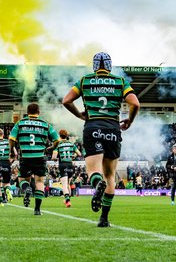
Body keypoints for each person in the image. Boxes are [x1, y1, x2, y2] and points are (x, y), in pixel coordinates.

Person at [63, 52, 140, 227]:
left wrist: (81, 116)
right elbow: (135, 104)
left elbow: (66, 101)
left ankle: (97, 185)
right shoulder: (120, 82)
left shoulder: (85, 81)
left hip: (92, 127)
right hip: (113, 128)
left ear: (95, 66)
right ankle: (104, 218)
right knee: (110, 175)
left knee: (94, 171)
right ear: (110, 66)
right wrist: (130, 119)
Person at [9, 103, 61, 216]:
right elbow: (57, 140)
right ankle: (37, 209)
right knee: (39, 182)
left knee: (22, 180)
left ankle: (27, 188)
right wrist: (52, 147)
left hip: (26, 157)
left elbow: (11, 138)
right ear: (39, 112)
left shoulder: (20, 123)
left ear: (27, 112)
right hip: (40, 157)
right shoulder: (45, 124)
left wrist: (11, 151)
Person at [51, 129, 81, 208]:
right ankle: (68, 199)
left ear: (59, 135)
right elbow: (79, 153)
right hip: (70, 165)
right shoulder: (71, 144)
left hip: (63, 164)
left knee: (64, 184)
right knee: (68, 183)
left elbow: (53, 157)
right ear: (66, 135)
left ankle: (67, 200)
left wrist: (56, 159)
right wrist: (73, 156)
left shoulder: (58, 144)